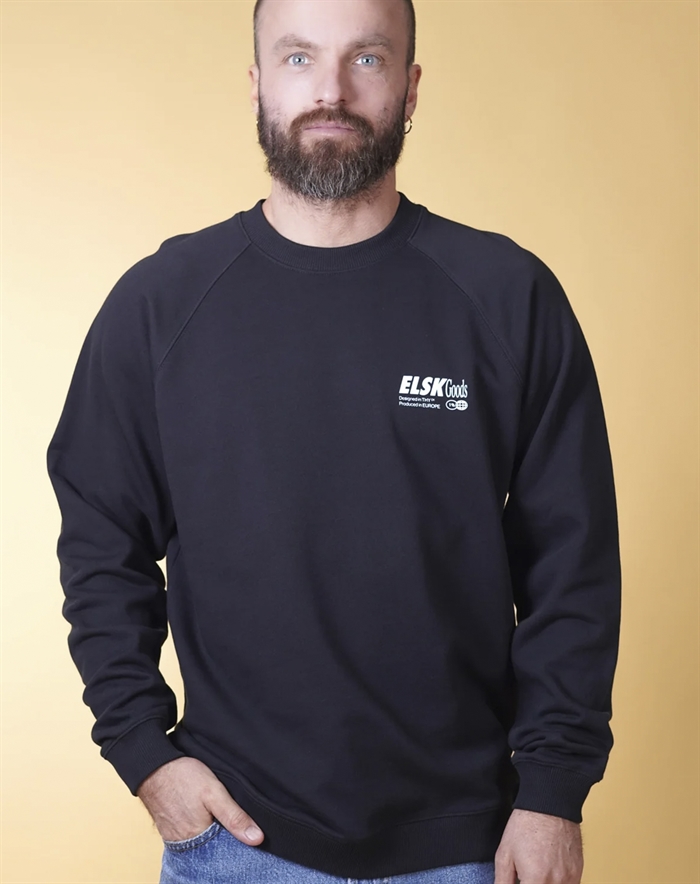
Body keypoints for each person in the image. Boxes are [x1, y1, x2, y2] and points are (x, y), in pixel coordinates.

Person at [45, 0, 622, 882]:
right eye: (298, 57)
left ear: (411, 87)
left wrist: (553, 793)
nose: (331, 91)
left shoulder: (508, 297)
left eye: (367, 59)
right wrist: (143, 752)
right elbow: (99, 539)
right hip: (236, 845)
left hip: (471, 847)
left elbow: (572, 567)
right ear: (256, 84)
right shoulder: (161, 304)